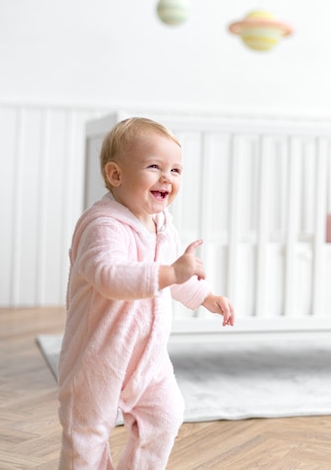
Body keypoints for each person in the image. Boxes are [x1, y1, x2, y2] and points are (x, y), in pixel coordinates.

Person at [57, 116, 234, 469]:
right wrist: (170, 272)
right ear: (116, 174)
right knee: (88, 432)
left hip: (149, 357)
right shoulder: (103, 225)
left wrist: (206, 297)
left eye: (176, 170)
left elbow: (175, 275)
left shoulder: (163, 225)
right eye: (154, 167)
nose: (167, 178)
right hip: (99, 354)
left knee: (166, 416)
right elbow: (109, 276)